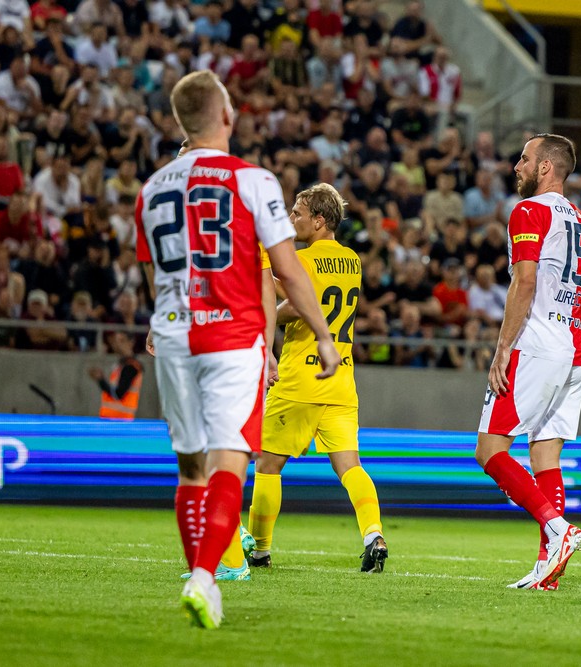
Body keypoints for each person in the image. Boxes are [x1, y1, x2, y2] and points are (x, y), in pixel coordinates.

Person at [136, 70, 340, 630]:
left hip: (175, 332)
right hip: (232, 334)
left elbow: (154, 268)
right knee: (230, 457)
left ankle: (203, 576)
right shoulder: (253, 181)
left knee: (189, 466)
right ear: (225, 115)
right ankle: (207, 577)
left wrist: (156, 320)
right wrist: (322, 335)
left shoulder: (151, 189)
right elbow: (287, 269)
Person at [475, 133, 581, 591]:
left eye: (524, 159)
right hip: (573, 346)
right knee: (545, 454)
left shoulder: (528, 211)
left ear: (546, 167)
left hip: (537, 343)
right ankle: (548, 569)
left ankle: (559, 530)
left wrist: (503, 348)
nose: (517, 166)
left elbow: (524, 282)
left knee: (490, 450)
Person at [248, 184, 388, 574]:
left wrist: (268, 301)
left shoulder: (302, 259)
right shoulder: (352, 260)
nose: (291, 219)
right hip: (340, 378)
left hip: (301, 376)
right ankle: (373, 534)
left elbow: (297, 305)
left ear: (319, 220)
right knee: (350, 466)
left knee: (268, 465)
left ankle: (259, 550)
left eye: (298, 213)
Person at [88, 331, 143, 419]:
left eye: (121, 340)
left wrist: (101, 380)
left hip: (120, 419)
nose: (117, 344)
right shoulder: (121, 365)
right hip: (112, 418)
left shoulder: (131, 366)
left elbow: (118, 394)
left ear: (131, 342)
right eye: (115, 341)